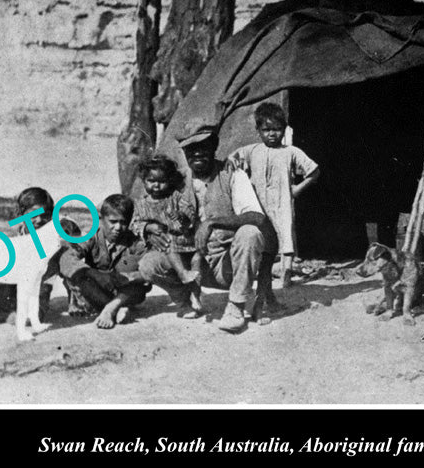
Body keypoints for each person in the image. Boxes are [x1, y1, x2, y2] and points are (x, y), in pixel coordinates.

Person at [154, 127, 272, 333]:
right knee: (149, 263)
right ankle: (186, 299)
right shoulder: (177, 180)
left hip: (226, 263)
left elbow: (256, 216)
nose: (197, 153)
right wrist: (149, 229)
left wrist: (212, 223)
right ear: (184, 152)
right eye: (191, 148)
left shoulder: (232, 173)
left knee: (250, 233)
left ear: (214, 147)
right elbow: (148, 209)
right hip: (190, 261)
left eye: (203, 147)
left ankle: (236, 306)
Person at [230, 102, 320, 288]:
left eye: (277, 129)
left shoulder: (291, 152)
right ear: (258, 130)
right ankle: (263, 274)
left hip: (282, 202)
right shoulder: (252, 150)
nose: (272, 134)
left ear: (284, 129)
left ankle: (286, 274)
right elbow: (232, 158)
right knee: (262, 237)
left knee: (285, 235)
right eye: (266, 129)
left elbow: (314, 171)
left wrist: (297, 189)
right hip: (259, 203)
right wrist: (235, 167)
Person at [58, 194, 153, 329]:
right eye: (113, 221)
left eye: (124, 222)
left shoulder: (135, 243)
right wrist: (94, 274)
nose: (118, 227)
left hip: (123, 290)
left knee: (139, 287)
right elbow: (67, 258)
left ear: (130, 221)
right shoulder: (91, 237)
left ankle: (110, 308)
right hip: (98, 288)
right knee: (78, 277)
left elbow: (150, 272)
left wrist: (130, 277)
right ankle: (116, 307)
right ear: (101, 219)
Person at [0, 187, 56, 329]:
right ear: (21, 213)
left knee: (22, 319)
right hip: (12, 287)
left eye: (45, 215)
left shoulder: (51, 238)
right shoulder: (15, 235)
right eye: (33, 214)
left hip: (37, 291)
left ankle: (1, 312)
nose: (39, 220)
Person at [131, 155, 202, 319]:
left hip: (186, 243)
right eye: (151, 180)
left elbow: (190, 214)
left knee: (197, 261)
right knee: (167, 244)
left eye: (161, 181)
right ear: (144, 181)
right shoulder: (141, 204)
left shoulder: (176, 197)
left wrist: (182, 217)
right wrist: (148, 227)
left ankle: (196, 296)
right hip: (164, 248)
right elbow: (134, 225)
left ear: (170, 180)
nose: (156, 185)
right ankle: (183, 303)